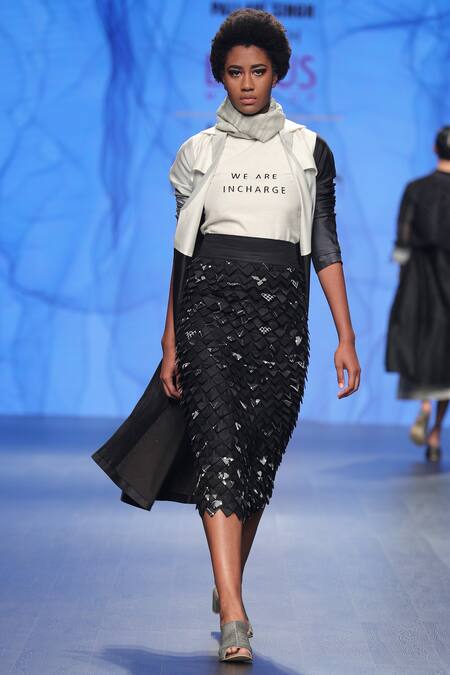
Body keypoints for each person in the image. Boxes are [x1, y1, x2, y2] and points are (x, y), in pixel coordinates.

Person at [92, 8, 361, 664]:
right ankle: (234, 610)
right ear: (220, 75)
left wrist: (345, 336)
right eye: (235, 72)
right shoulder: (198, 152)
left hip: (281, 318)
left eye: (257, 71)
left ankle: (228, 577)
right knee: (218, 452)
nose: (246, 83)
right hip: (208, 312)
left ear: (278, 73)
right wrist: (170, 340)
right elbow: (181, 253)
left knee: (258, 463)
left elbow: (325, 244)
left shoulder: (308, 149)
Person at [385, 126, 450, 463]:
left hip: (420, 278)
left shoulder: (416, 188)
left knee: (422, 339)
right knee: (447, 351)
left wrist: (403, 276)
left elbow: (403, 234)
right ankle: (436, 431)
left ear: (434, 149)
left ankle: (423, 404)